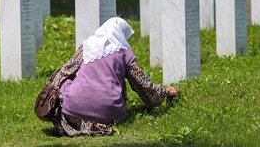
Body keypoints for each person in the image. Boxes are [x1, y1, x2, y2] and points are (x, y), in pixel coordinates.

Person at [49, 17, 178, 137]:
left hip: (73, 111)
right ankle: (94, 124)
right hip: (108, 116)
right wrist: (164, 92)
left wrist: (49, 96)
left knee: (66, 82)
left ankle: (65, 124)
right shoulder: (124, 54)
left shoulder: (86, 47)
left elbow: (63, 73)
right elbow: (144, 86)